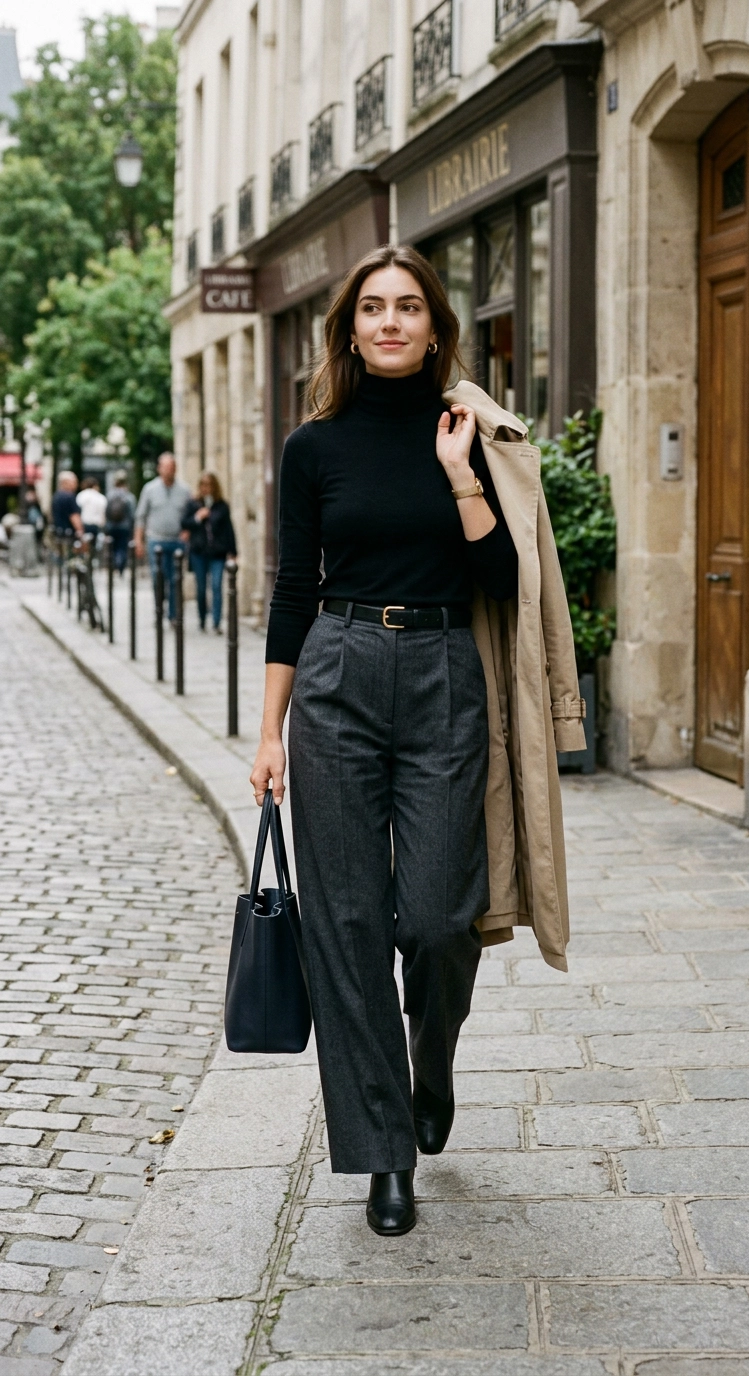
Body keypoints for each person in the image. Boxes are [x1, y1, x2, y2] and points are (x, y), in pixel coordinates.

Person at [249, 245, 585, 1238]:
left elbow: (499, 582)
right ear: (349, 328)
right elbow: (291, 592)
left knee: (439, 915)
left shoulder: (469, 433)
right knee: (345, 923)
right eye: (372, 308)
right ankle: (385, 1153)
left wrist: (459, 476)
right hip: (339, 670)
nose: (389, 321)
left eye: (407, 307)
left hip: (446, 673)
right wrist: (268, 731)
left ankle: (431, 1052)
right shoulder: (313, 447)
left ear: (435, 326)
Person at [134, 454, 191, 623]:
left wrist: (187, 531)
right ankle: (159, 610)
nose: (169, 470)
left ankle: (173, 614)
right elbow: (140, 517)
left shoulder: (185, 490)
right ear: (159, 468)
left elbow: (190, 515)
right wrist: (138, 541)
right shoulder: (149, 489)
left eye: (172, 467)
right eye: (165, 467)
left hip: (177, 541)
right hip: (156, 540)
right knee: (158, 577)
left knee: (175, 579)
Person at [181, 471, 237, 632]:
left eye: (209, 485)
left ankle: (217, 621)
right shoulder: (193, 504)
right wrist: (198, 517)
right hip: (199, 552)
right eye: (203, 485)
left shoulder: (222, 506)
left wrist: (233, 551)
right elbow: (184, 523)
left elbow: (229, 529)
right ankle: (202, 618)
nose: (206, 488)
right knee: (201, 587)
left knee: (216, 585)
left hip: (217, 553)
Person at [105, 472, 136, 574]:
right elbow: (132, 514)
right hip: (125, 527)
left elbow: (107, 512)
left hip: (112, 526)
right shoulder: (129, 497)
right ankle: (121, 565)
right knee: (122, 547)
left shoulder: (110, 495)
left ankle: (114, 564)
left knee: (113, 547)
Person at [50, 471, 84, 542]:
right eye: (74, 482)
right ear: (66, 482)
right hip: (69, 533)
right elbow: (74, 516)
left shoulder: (56, 496)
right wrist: (80, 531)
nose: (76, 485)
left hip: (59, 532)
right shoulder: (69, 496)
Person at [76, 477, 107, 545]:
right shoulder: (101, 497)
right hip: (96, 525)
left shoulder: (81, 495)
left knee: (84, 545)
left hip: (84, 524)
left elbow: (78, 510)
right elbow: (103, 513)